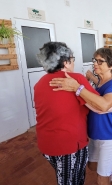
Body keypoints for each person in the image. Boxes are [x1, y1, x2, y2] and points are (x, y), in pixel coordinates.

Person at [49, 48, 112, 185]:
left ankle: (107, 174)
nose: (95, 64)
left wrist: (77, 88)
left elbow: (103, 105)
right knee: (92, 166)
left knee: (102, 178)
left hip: (111, 134)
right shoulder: (99, 82)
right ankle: (111, 171)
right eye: (94, 60)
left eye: (100, 61)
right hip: (95, 133)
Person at [34, 42, 100, 185]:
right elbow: (99, 104)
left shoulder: (40, 83)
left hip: (46, 144)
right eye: (73, 58)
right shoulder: (75, 79)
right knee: (71, 181)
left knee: (70, 178)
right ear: (65, 62)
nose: (74, 62)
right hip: (69, 145)